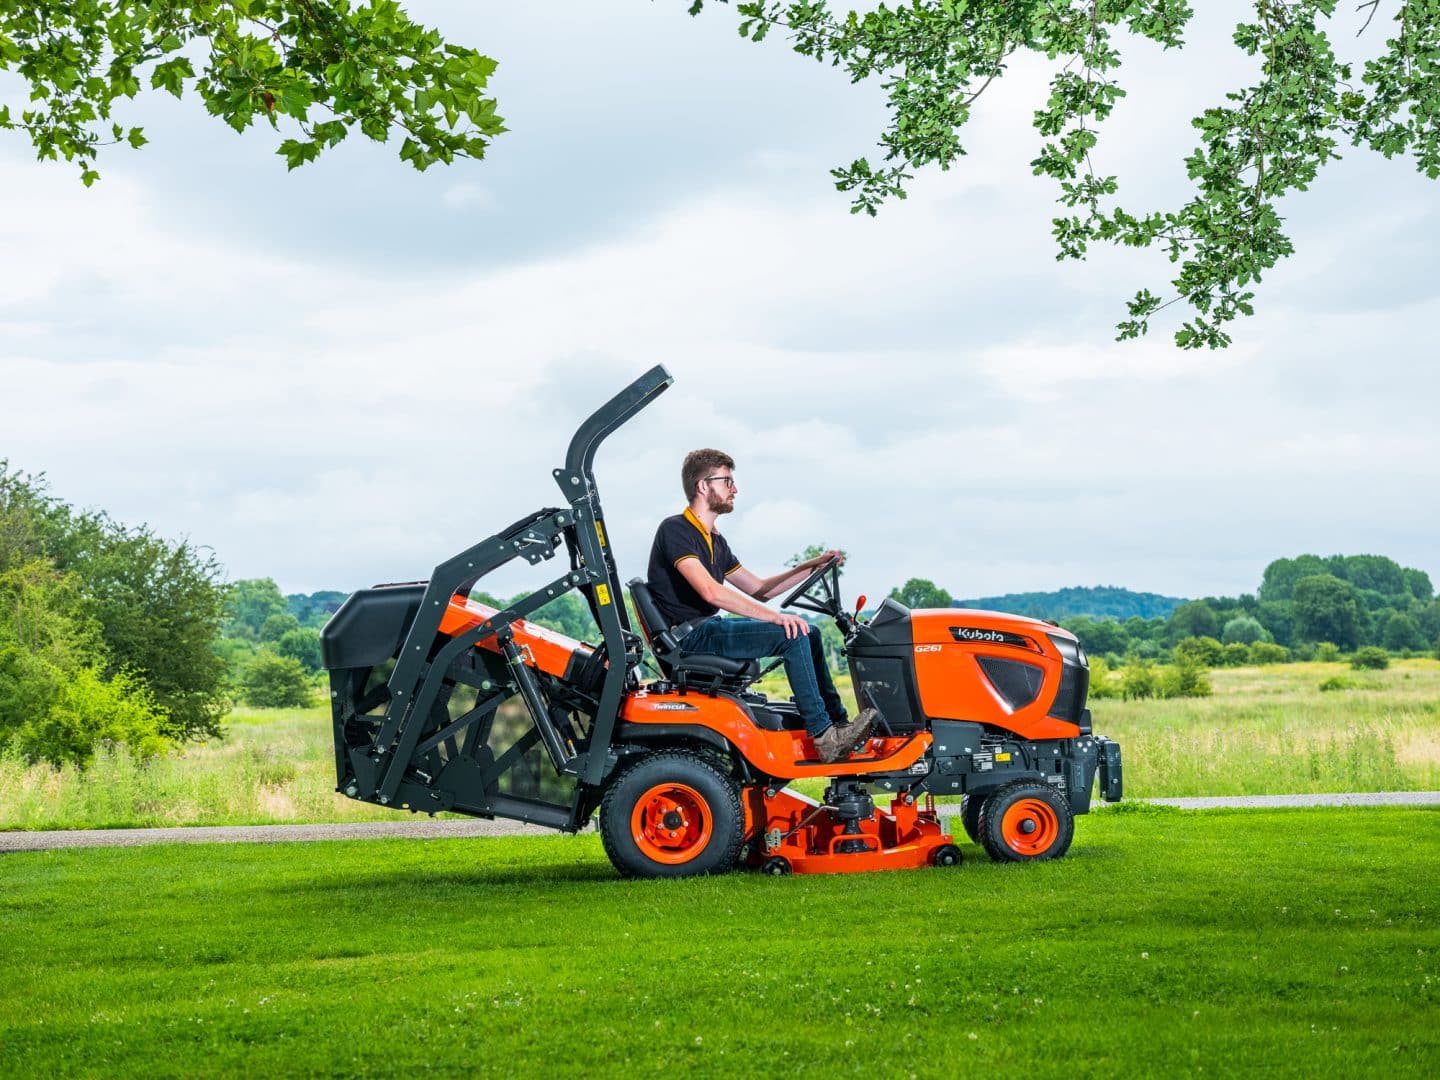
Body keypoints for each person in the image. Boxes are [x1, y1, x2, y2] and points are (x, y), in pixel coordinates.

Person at [645, 448, 876, 764]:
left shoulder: (716, 541)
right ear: (703, 486)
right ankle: (825, 738)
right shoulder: (676, 530)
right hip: (691, 637)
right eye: (727, 481)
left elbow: (760, 589)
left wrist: (811, 565)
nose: (734, 489)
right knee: (791, 633)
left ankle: (839, 723)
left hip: (709, 629)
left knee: (807, 632)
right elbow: (711, 592)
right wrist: (777, 619)